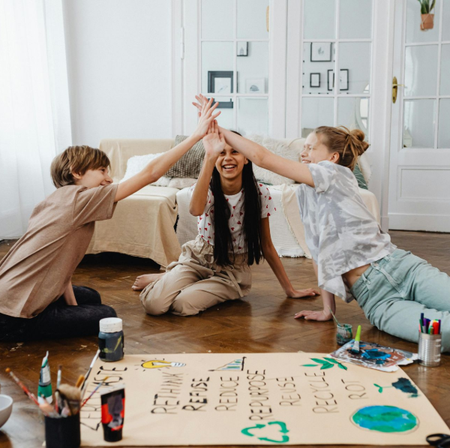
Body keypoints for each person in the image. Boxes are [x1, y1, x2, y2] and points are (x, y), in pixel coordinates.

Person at [192, 94, 450, 351]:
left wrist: (216, 128)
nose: (303, 151)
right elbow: (318, 251)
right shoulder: (306, 193)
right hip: (378, 301)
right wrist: (328, 309)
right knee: (442, 335)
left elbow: (263, 158)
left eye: (311, 147)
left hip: (404, 269)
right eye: (303, 146)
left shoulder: (334, 174)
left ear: (333, 157)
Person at [0, 98, 220, 341]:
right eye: (102, 171)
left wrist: (73, 309)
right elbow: (151, 173)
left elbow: (60, 264)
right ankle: (36, 320)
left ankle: (50, 309)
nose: (108, 178)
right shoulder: (81, 199)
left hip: (6, 295)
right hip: (15, 316)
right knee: (105, 315)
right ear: (76, 172)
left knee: (90, 298)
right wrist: (195, 136)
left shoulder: (52, 201)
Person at [135, 120, 319, 316]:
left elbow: (266, 244)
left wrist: (290, 290)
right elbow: (196, 209)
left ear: (246, 158)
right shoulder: (206, 189)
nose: (228, 158)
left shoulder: (260, 194)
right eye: (221, 153)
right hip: (197, 260)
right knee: (154, 305)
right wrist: (209, 156)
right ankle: (171, 277)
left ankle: (172, 279)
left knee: (181, 305)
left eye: (235, 152)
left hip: (231, 273)